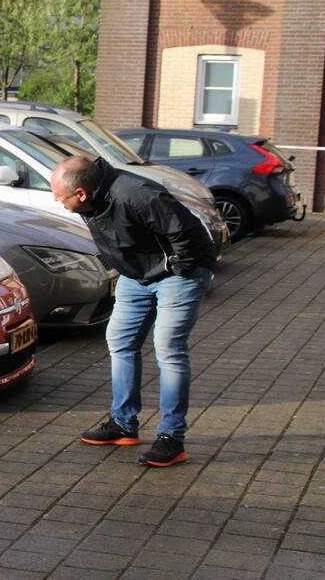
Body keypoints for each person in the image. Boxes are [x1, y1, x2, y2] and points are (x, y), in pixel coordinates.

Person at [50, 156, 216, 468]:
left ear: (81, 193)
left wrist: (174, 267)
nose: (60, 203)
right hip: (137, 275)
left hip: (179, 274)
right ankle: (123, 424)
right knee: (120, 341)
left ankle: (171, 438)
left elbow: (187, 232)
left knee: (168, 349)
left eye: (62, 198)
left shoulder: (137, 194)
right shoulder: (93, 197)